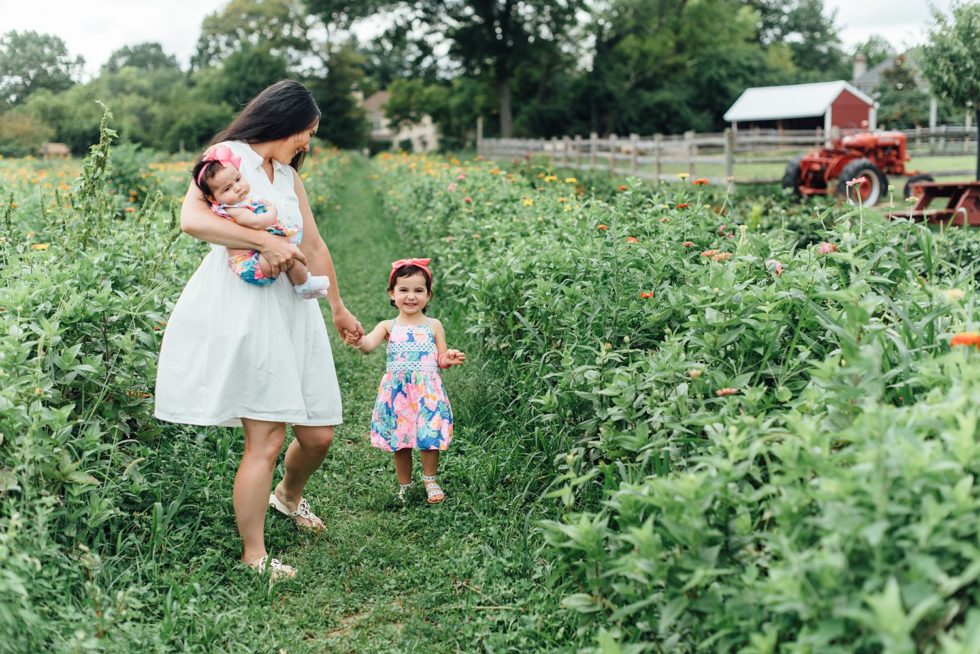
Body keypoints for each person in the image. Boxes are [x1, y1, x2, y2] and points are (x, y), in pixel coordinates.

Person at [155, 80, 364, 581]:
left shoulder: (288, 177)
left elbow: (313, 245)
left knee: (318, 435)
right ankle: (254, 556)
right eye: (308, 132)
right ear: (288, 121)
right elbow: (191, 220)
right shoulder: (227, 157)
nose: (308, 142)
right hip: (247, 309)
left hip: (293, 310)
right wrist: (262, 243)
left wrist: (337, 307)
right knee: (266, 439)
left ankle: (287, 497)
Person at [344, 258, 465, 504]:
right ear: (392, 293)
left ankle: (430, 480)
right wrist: (358, 340)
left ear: (428, 295)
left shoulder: (434, 326)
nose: (411, 296)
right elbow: (368, 346)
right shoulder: (388, 326)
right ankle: (405, 485)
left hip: (427, 391)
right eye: (404, 290)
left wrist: (448, 358)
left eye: (418, 290)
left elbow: (440, 358)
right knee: (401, 440)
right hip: (398, 393)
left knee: (429, 436)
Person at [191, 144, 330, 298]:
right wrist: (272, 211)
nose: (237, 187)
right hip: (250, 264)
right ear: (213, 198)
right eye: (227, 189)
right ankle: (304, 286)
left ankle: (304, 283)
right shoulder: (232, 210)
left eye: (238, 179)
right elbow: (257, 222)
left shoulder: (242, 202)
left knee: (289, 254)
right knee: (290, 254)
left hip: (256, 257)